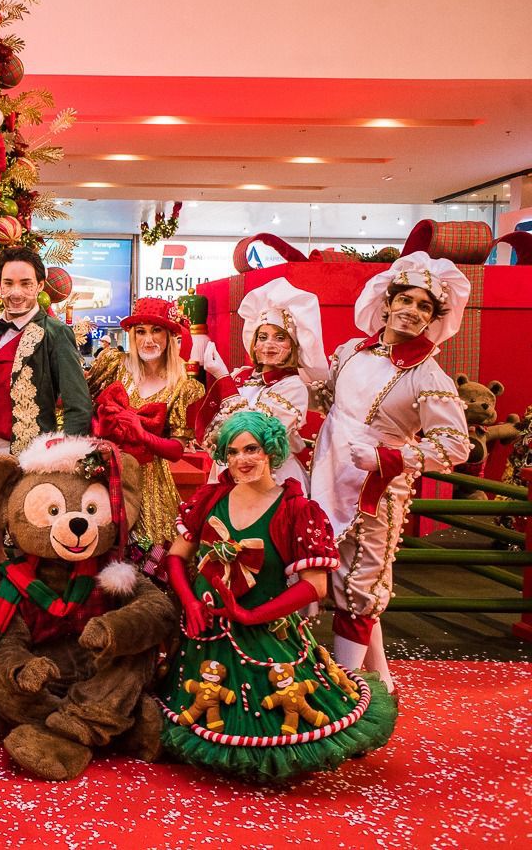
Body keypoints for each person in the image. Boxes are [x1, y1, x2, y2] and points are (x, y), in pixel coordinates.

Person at [160, 411, 396, 782]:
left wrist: (253, 616)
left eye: (251, 448)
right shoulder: (209, 498)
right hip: (205, 634)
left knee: (275, 727)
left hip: (265, 636)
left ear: (270, 450)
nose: (242, 460)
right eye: (233, 451)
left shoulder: (296, 510)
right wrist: (190, 602)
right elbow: (176, 556)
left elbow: (315, 585)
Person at [310, 253, 471, 693]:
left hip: (374, 496)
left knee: (360, 586)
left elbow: (456, 445)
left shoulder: (429, 376)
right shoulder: (350, 352)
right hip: (322, 479)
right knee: (329, 578)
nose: (412, 311)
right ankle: (380, 680)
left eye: (424, 306)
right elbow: (326, 401)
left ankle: (348, 692)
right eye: (406, 299)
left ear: (434, 318)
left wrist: (390, 457)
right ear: (387, 302)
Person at [0, 246, 94, 641]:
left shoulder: (55, 333)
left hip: (27, 458)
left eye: (25, 283)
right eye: (9, 283)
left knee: (28, 548)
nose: (16, 292)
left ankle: (30, 636)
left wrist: (68, 462)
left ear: (40, 286)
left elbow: (78, 405)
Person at [87, 297, 205, 550]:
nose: (148, 339)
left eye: (156, 331)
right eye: (140, 331)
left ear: (170, 336)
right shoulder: (114, 365)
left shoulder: (184, 387)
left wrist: (142, 434)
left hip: (151, 482)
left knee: (148, 553)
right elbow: (82, 400)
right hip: (106, 472)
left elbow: (176, 450)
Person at [193, 277, 327, 493]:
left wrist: (223, 380)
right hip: (229, 472)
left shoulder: (293, 387)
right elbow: (214, 432)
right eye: (262, 337)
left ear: (293, 346)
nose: (268, 345)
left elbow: (255, 433)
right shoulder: (241, 376)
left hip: (272, 480)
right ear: (253, 344)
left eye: (280, 337)